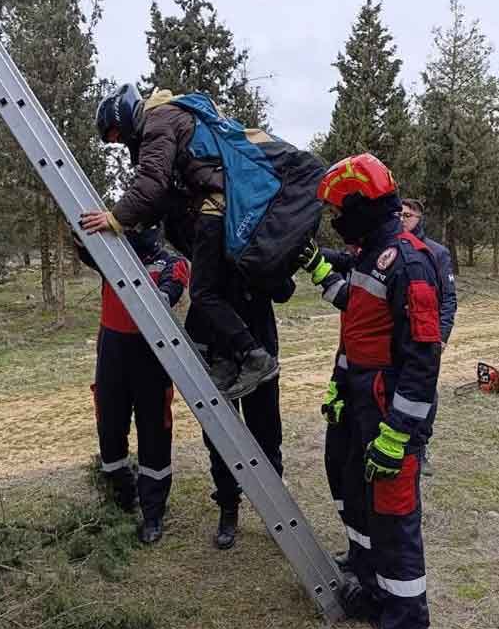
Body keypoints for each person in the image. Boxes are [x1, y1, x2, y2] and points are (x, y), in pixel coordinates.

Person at [81, 83, 322, 400]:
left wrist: (115, 218)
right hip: (218, 209)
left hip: (215, 209)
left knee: (204, 292)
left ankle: (254, 357)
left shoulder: (158, 119)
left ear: (121, 116)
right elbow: (162, 195)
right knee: (215, 294)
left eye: (113, 133)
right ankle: (223, 362)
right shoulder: (174, 114)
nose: (116, 141)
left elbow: (153, 181)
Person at [300, 154, 440, 629]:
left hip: (387, 409)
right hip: (360, 397)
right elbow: (356, 328)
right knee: (358, 501)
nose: (337, 220)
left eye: (341, 210)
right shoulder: (368, 256)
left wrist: (397, 433)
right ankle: (375, 592)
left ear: (362, 204)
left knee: (396, 524)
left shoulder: (409, 261)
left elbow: (423, 358)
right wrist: (340, 384)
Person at [76, 226, 189, 544]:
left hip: (152, 357)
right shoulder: (110, 256)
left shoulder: (172, 262)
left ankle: (153, 513)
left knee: (154, 433)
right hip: (112, 353)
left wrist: (155, 291)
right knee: (110, 428)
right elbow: (82, 243)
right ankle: (122, 498)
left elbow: (171, 291)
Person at [185, 276, 295, 549]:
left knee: (267, 436)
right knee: (219, 439)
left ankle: (278, 511)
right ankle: (228, 507)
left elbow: (284, 290)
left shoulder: (263, 237)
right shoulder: (204, 238)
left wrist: (268, 266)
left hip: (259, 347)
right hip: (213, 348)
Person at [401, 199, 457, 476]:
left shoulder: (437, 253)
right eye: (399, 214)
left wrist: (442, 336)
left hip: (428, 337)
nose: (403, 219)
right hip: (399, 335)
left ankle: (420, 448)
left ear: (420, 218)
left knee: (424, 393)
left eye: (409, 215)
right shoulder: (392, 250)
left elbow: (448, 300)